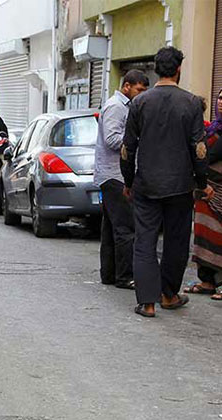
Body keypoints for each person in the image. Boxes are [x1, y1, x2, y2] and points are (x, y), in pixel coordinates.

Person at [121, 46, 213, 318]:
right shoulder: (192, 103)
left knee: (145, 241)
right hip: (180, 186)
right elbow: (199, 148)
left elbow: (128, 148)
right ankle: (169, 294)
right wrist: (202, 181)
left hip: (147, 184)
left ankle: (147, 303)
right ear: (179, 70)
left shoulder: (140, 103)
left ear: (156, 69)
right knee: (176, 240)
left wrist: (128, 180)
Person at [94, 69, 149, 290]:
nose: (142, 94)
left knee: (111, 228)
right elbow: (112, 139)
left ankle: (109, 273)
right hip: (115, 175)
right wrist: (137, 138)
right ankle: (125, 276)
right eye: (139, 90)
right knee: (125, 228)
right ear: (127, 86)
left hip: (110, 174)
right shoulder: (117, 107)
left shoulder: (123, 106)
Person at [186, 88, 222, 301]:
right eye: (220, 97)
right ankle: (207, 281)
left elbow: (207, 157)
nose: (221, 102)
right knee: (203, 234)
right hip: (204, 189)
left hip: (218, 191)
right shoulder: (211, 129)